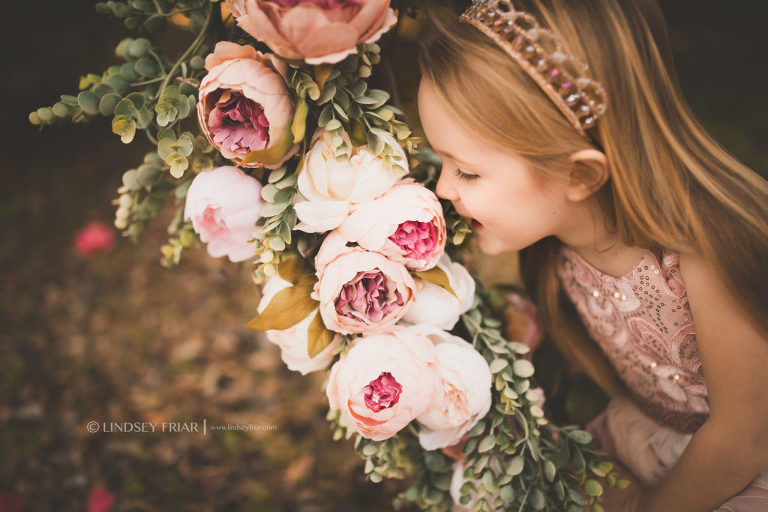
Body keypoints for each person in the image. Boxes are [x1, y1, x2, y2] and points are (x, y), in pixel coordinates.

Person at [415, 0, 768, 510]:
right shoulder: (556, 249)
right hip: (643, 437)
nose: (444, 187)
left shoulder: (702, 254)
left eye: (467, 171)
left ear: (580, 175)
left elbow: (743, 437)